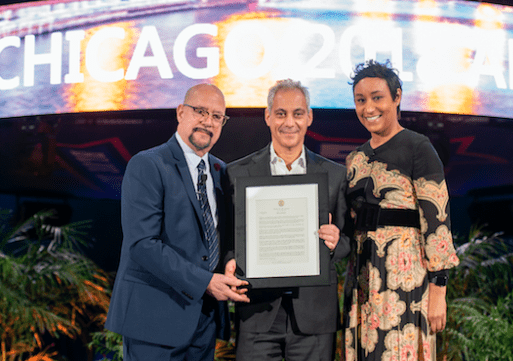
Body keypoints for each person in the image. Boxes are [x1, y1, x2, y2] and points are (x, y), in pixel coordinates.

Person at [105, 84, 249, 361]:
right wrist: (205, 281)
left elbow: (226, 237)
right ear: (181, 112)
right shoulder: (148, 164)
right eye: (200, 111)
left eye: (217, 116)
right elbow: (143, 245)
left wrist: (231, 260)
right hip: (152, 320)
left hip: (204, 322)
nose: (208, 121)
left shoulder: (222, 172)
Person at [224, 79, 350, 361]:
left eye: (297, 113)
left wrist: (333, 243)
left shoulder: (334, 176)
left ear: (309, 117)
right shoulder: (237, 174)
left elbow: (348, 241)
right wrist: (231, 260)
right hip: (256, 310)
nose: (289, 122)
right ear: (268, 116)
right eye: (280, 113)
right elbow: (229, 239)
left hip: (315, 316)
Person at [343, 60, 460, 361]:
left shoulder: (418, 147)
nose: (368, 107)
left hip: (406, 281)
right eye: (361, 100)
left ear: (397, 97)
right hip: (361, 282)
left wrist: (438, 294)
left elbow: (437, 221)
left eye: (377, 97)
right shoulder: (355, 159)